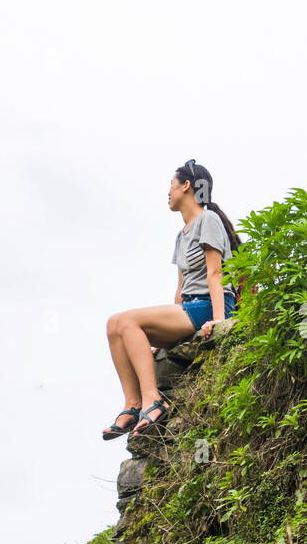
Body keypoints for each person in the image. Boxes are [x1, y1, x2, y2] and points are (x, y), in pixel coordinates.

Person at [102, 159, 241, 440]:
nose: (168, 191)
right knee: (115, 325)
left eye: (171, 184)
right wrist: (165, 332)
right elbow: (179, 290)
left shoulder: (208, 220)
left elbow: (215, 273)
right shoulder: (182, 234)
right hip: (189, 308)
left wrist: (218, 320)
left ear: (186, 186)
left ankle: (154, 400)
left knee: (128, 320)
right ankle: (132, 404)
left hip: (208, 306)